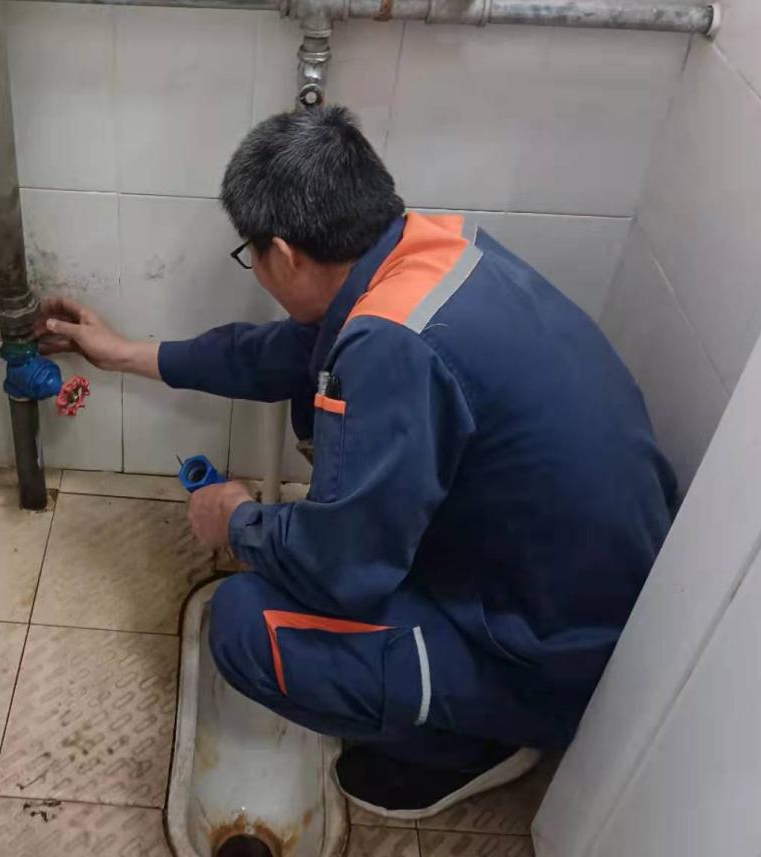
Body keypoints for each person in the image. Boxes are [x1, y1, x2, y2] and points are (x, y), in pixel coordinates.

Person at [35, 105, 676, 820]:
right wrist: (126, 353)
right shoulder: (428, 253)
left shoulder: (389, 347)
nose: (258, 271)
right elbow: (275, 353)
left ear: (285, 254)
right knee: (308, 413)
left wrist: (236, 520)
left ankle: (474, 743)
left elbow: (340, 570)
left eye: (252, 256)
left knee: (244, 623)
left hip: (544, 655)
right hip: (581, 587)